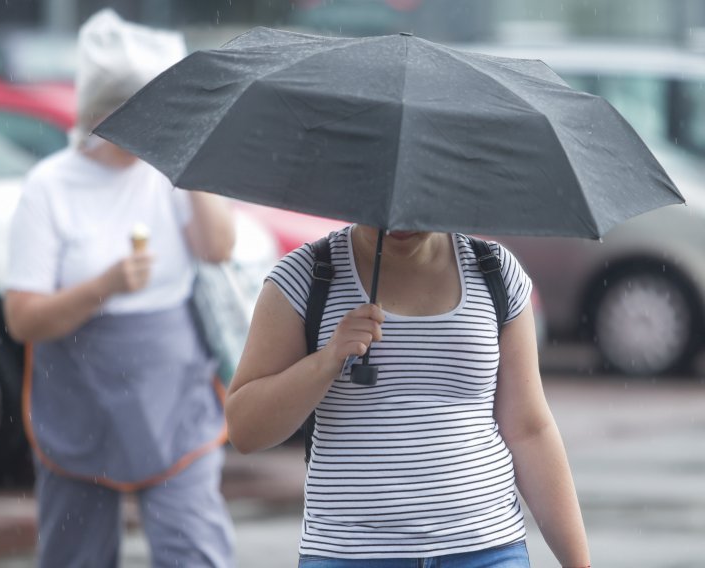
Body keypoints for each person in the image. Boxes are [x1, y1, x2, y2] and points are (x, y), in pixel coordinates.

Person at [4, 10, 235, 568]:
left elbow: (217, 247)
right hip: (78, 388)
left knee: (192, 547)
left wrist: (190, 159)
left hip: (171, 387)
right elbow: (23, 318)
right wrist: (104, 287)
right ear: (101, 114)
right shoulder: (50, 187)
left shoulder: (170, 175)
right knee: (75, 553)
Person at [226, 225, 591, 567]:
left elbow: (529, 430)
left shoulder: (494, 270)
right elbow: (245, 429)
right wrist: (327, 360)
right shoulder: (306, 276)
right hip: (350, 553)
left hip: (487, 548)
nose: (400, 222)